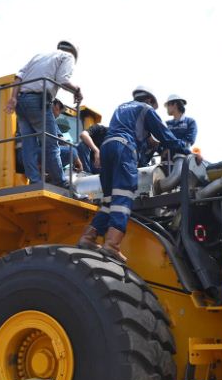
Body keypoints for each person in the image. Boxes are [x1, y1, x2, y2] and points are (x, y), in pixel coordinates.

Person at [76, 86, 198, 260]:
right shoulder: (146, 109)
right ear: (149, 100)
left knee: (109, 200)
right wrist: (188, 153)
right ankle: (112, 244)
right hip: (124, 149)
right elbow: (166, 137)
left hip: (107, 148)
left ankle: (88, 237)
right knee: (123, 197)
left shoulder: (122, 108)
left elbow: (135, 132)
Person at [5, 40, 83, 187]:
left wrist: (13, 98)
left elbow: (19, 77)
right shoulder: (68, 57)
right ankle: (60, 181)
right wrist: (77, 91)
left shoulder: (39, 56)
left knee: (29, 143)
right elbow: (63, 79)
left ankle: (35, 180)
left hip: (21, 101)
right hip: (38, 101)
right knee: (52, 143)